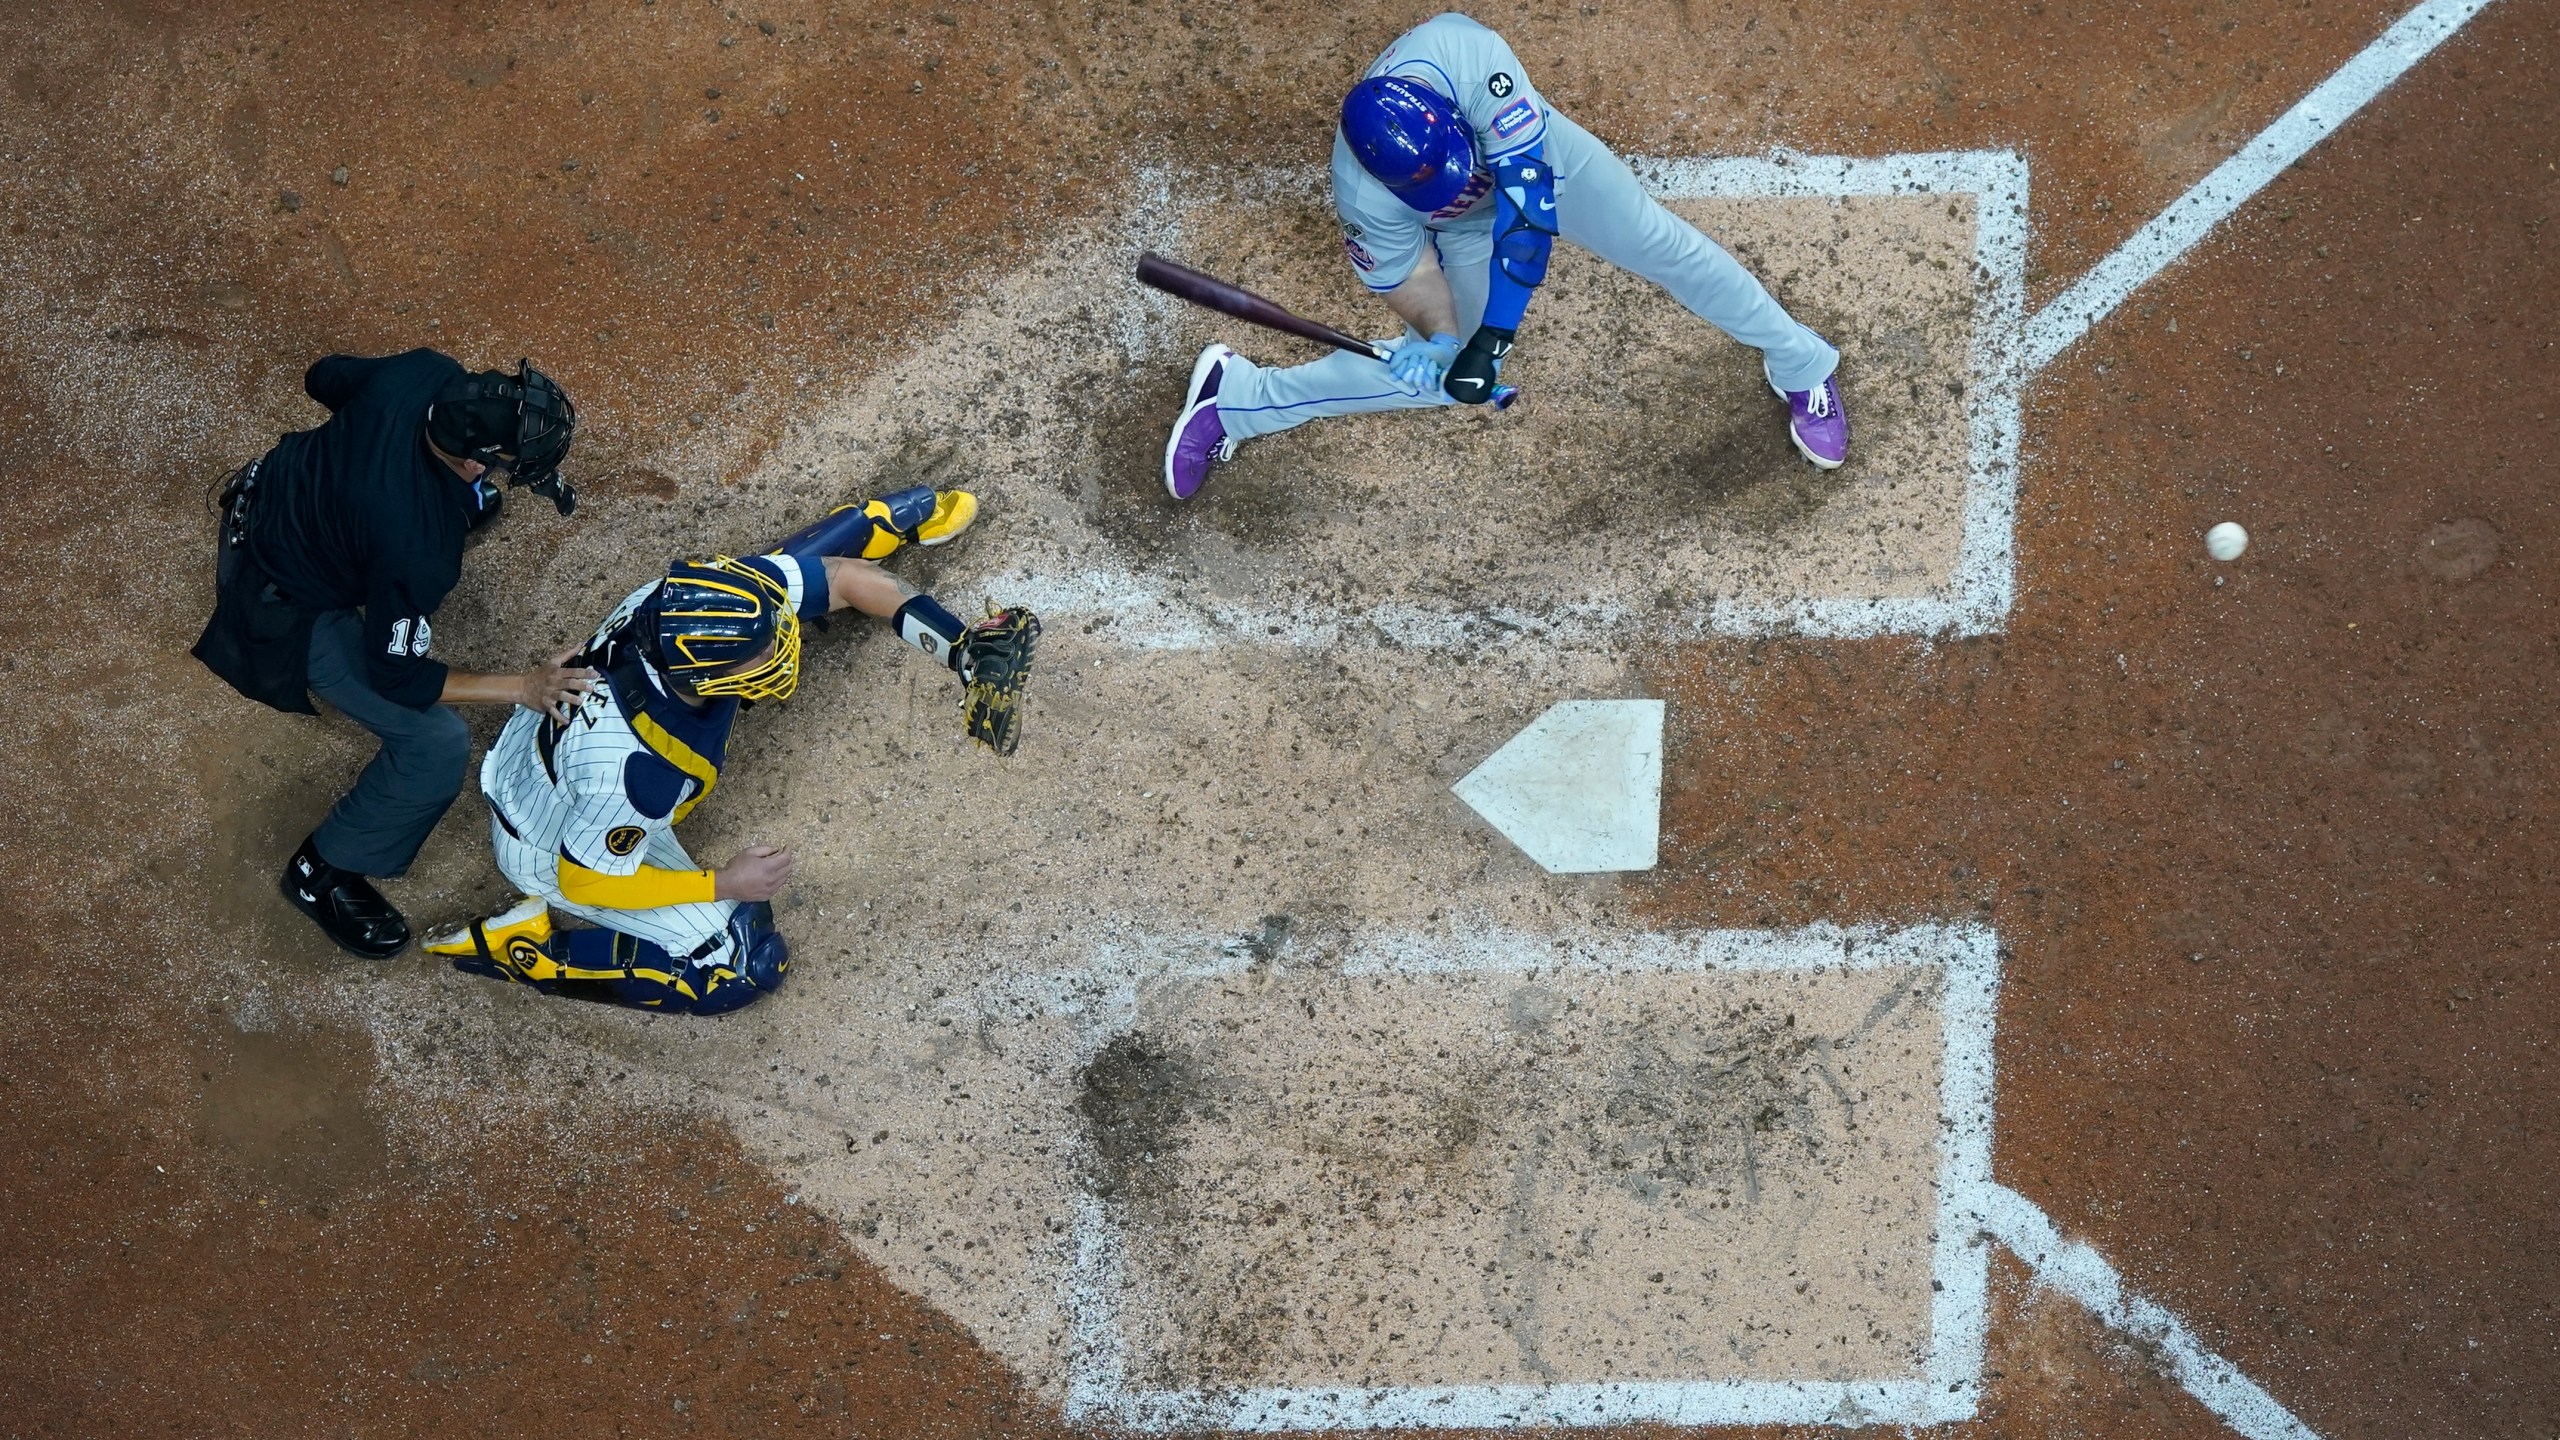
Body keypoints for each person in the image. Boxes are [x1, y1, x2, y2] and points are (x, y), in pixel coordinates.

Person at [1163, 11, 1849, 500]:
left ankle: (1800, 359)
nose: (1461, 180)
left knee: (1658, 243)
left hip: (1544, 170)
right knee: (1434, 376)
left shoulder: (1463, 53)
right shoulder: (1364, 199)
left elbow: (1527, 221)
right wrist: (1441, 341)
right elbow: (1412, 280)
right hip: (1459, 233)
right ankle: (1238, 400)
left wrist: (1490, 344)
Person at [422, 487, 1040, 1016]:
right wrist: (724, 881)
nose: (785, 644)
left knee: (798, 576)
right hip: (547, 838)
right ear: (708, 678)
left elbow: (842, 579)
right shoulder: (640, 775)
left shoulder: (668, 603)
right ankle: (522, 951)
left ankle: (887, 518)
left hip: (539, 750)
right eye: (764, 655)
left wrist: (959, 650)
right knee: (746, 967)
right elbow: (584, 881)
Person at [192, 350, 593, 960]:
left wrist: (371, 434)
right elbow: (399, 675)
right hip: (278, 601)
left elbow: (322, 376)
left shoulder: (424, 373)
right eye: (504, 461)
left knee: (431, 504)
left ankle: (436, 492)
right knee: (434, 744)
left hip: (268, 491)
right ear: (470, 457)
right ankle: (323, 873)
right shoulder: (420, 545)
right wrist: (524, 688)